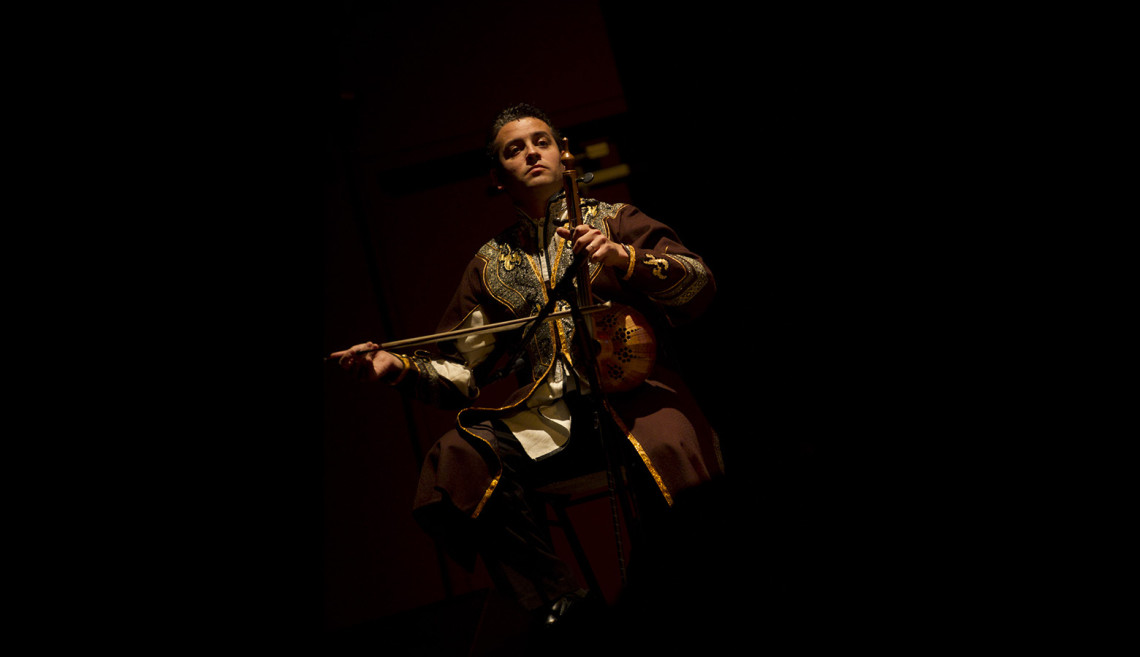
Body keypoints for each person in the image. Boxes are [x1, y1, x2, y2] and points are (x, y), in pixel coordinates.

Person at [332, 103, 724, 632]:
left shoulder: (617, 220)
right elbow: (459, 368)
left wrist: (621, 257)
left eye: (540, 141)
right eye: (513, 150)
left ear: (564, 156)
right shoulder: (491, 263)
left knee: (670, 444)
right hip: (552, 422)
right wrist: (393, 363)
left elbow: (698, 281)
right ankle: (562, 606)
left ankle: (677, 595)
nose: (530, 152)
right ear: (497, 178)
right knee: (457, 457)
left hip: (633, 400)